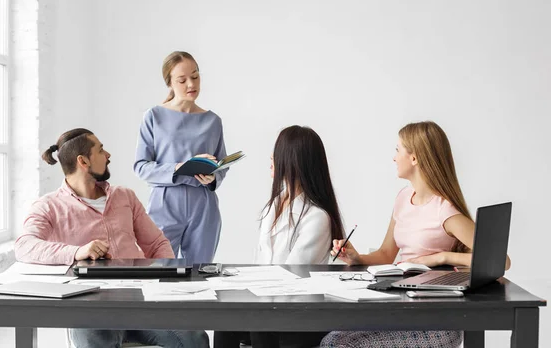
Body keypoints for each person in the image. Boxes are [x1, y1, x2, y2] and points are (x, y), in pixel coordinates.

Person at [321, 121, 511, 348]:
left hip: (435, 321)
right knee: (332, 340)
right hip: (400, 309)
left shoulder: (444, 210)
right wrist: (357, 258)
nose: (393, 157)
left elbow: (500, 261)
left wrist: (442, 257)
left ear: (414, 158)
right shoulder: (402, 198)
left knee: (337, 346)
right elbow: (385, 254)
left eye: (397, 150)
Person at [14, 128, 209, 348]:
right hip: (90, 309)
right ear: (83, 161)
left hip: (141, 302)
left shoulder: (124, 196)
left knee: (195, 338)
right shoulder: (49, 206)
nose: (108, 155)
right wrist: (76, 252)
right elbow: (24, 246)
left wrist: (166, 285)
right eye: (100, 150)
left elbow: (157, 244)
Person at [214, 125, 346, 348]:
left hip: (299, 315)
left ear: (293, 162)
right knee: (224, 319)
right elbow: (261, 263)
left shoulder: (317, 217)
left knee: (259, 323)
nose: (271, 161)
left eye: (276, 156)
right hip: (268, 306)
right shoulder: (274, 205)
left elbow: (292, 277)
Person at [134, 51, 228, 264]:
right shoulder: (154, 116)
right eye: (182, 80)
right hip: (165, 202)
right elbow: (141, 166)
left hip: (204, 205)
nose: (191, 84)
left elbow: (221, 164)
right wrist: (178, 168)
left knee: (200, 274)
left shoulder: (213, 121)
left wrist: (214, 178)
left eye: (195, 77)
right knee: (159, 270)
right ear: (169, 83)